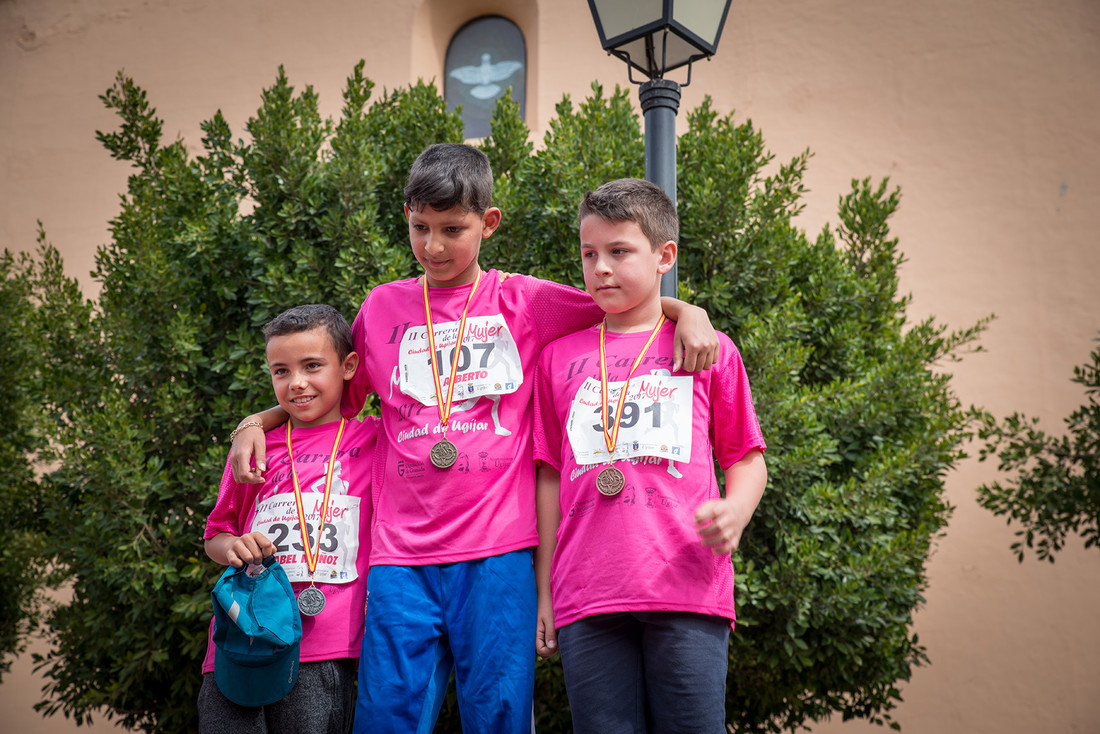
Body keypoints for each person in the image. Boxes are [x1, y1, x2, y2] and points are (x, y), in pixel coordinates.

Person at [227, 144, 719, 734]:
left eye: (452, 229)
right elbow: (324, 396)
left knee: (500, 717)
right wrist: (254, 422)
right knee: (385, 718)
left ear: (488, 223)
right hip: (400, 559)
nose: (433, 246)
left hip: (499, 552)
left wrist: (684, 308)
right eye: (420, 228)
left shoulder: (529, 301)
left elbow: (618, 304)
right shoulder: (382, 308)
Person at [532, 178, 768, 733]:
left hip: (687, 586)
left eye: (619, 252)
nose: (601, 269)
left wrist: (736, 511)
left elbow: (746, 457)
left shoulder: (705, 348)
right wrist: (543, 590)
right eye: (590, 254)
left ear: (665, 256)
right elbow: (547, 478)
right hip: (587, 594)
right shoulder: (557, 357)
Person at [198, 304, 380, 734]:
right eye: (281, 371)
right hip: (240, 643)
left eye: (312, 366)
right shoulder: (254, 449)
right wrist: (233, 548)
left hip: (326, 648)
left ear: (348, 365)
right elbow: (215, 535)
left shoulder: (375, 438)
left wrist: (253, 419)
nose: (296, 383)